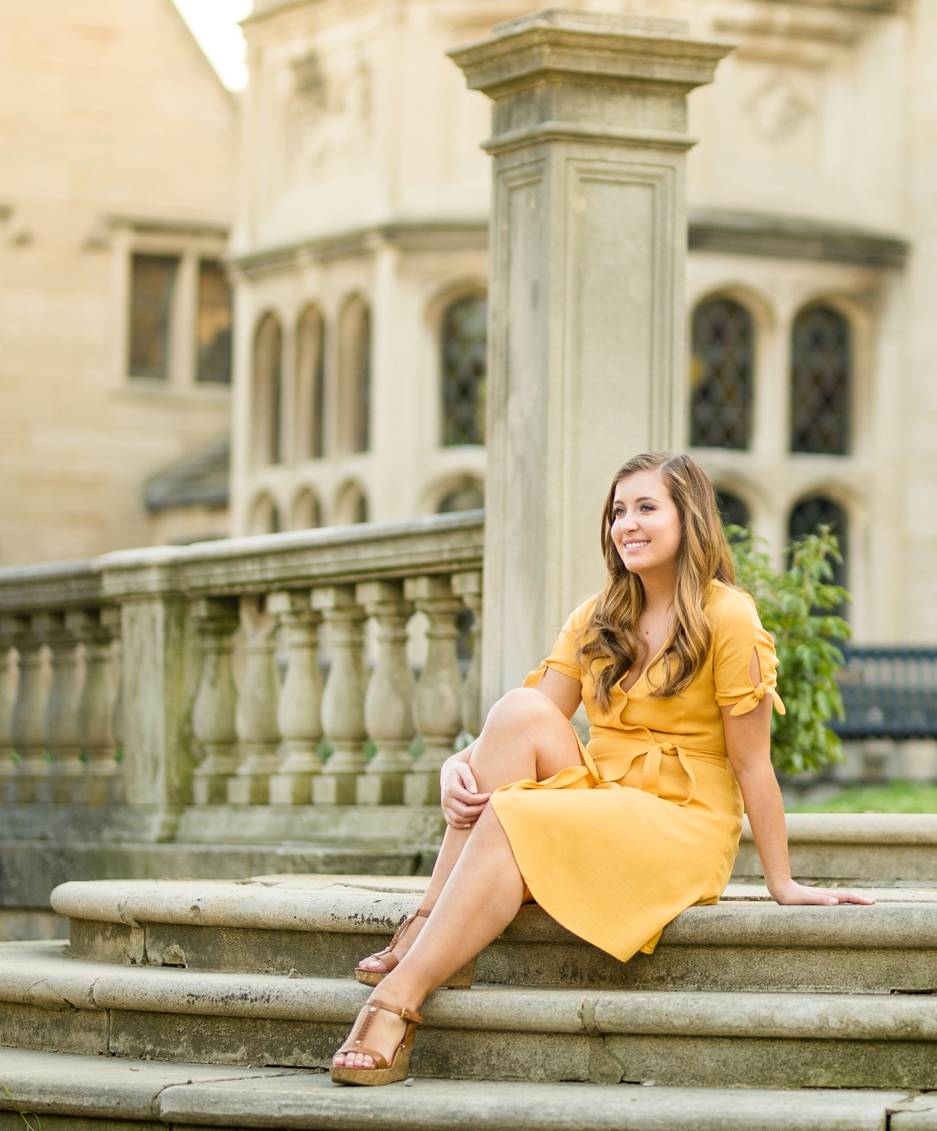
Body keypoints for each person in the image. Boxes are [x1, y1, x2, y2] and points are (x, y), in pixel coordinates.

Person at [330, 451, 874, 1085]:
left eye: (647, 507)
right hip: (604, 790)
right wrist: (457, 764)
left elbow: (754, 766)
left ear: (688, 518)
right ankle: (429, 919)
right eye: (619, 510)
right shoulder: (597, 616)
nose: (628, 524)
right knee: (516, 710)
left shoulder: (730, 619)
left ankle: (396, 1000)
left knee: (513, 809)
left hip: (681, 819)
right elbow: (531, 719)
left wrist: (783, 882)